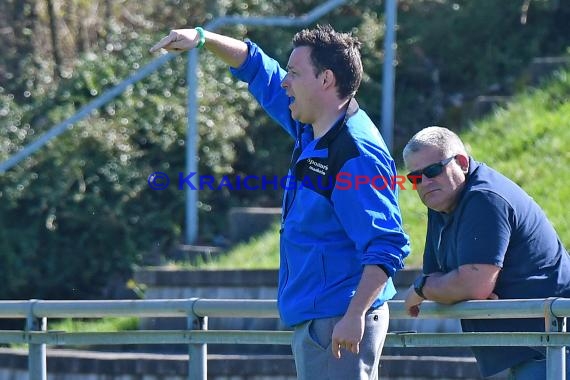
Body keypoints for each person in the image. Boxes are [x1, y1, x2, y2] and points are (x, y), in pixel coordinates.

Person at [151, 25, 410, 379]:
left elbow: (386, 245)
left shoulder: (355, 152)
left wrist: (354, 316)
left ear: (326, 80)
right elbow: (257, 67)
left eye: (294, 73)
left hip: (339, 323)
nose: (285, 82)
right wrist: (203, 38)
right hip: (321, 317)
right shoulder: (314, 125)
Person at [402, 126, 570, 379]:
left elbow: (471, 286)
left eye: (433, 171)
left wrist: (422, 288)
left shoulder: (484, 198)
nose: (424, 182)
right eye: (415, 178)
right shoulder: (441, 203)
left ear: (461, 162)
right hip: (527, 346)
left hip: (552, 347)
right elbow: (439, 274)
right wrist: (454, 286)